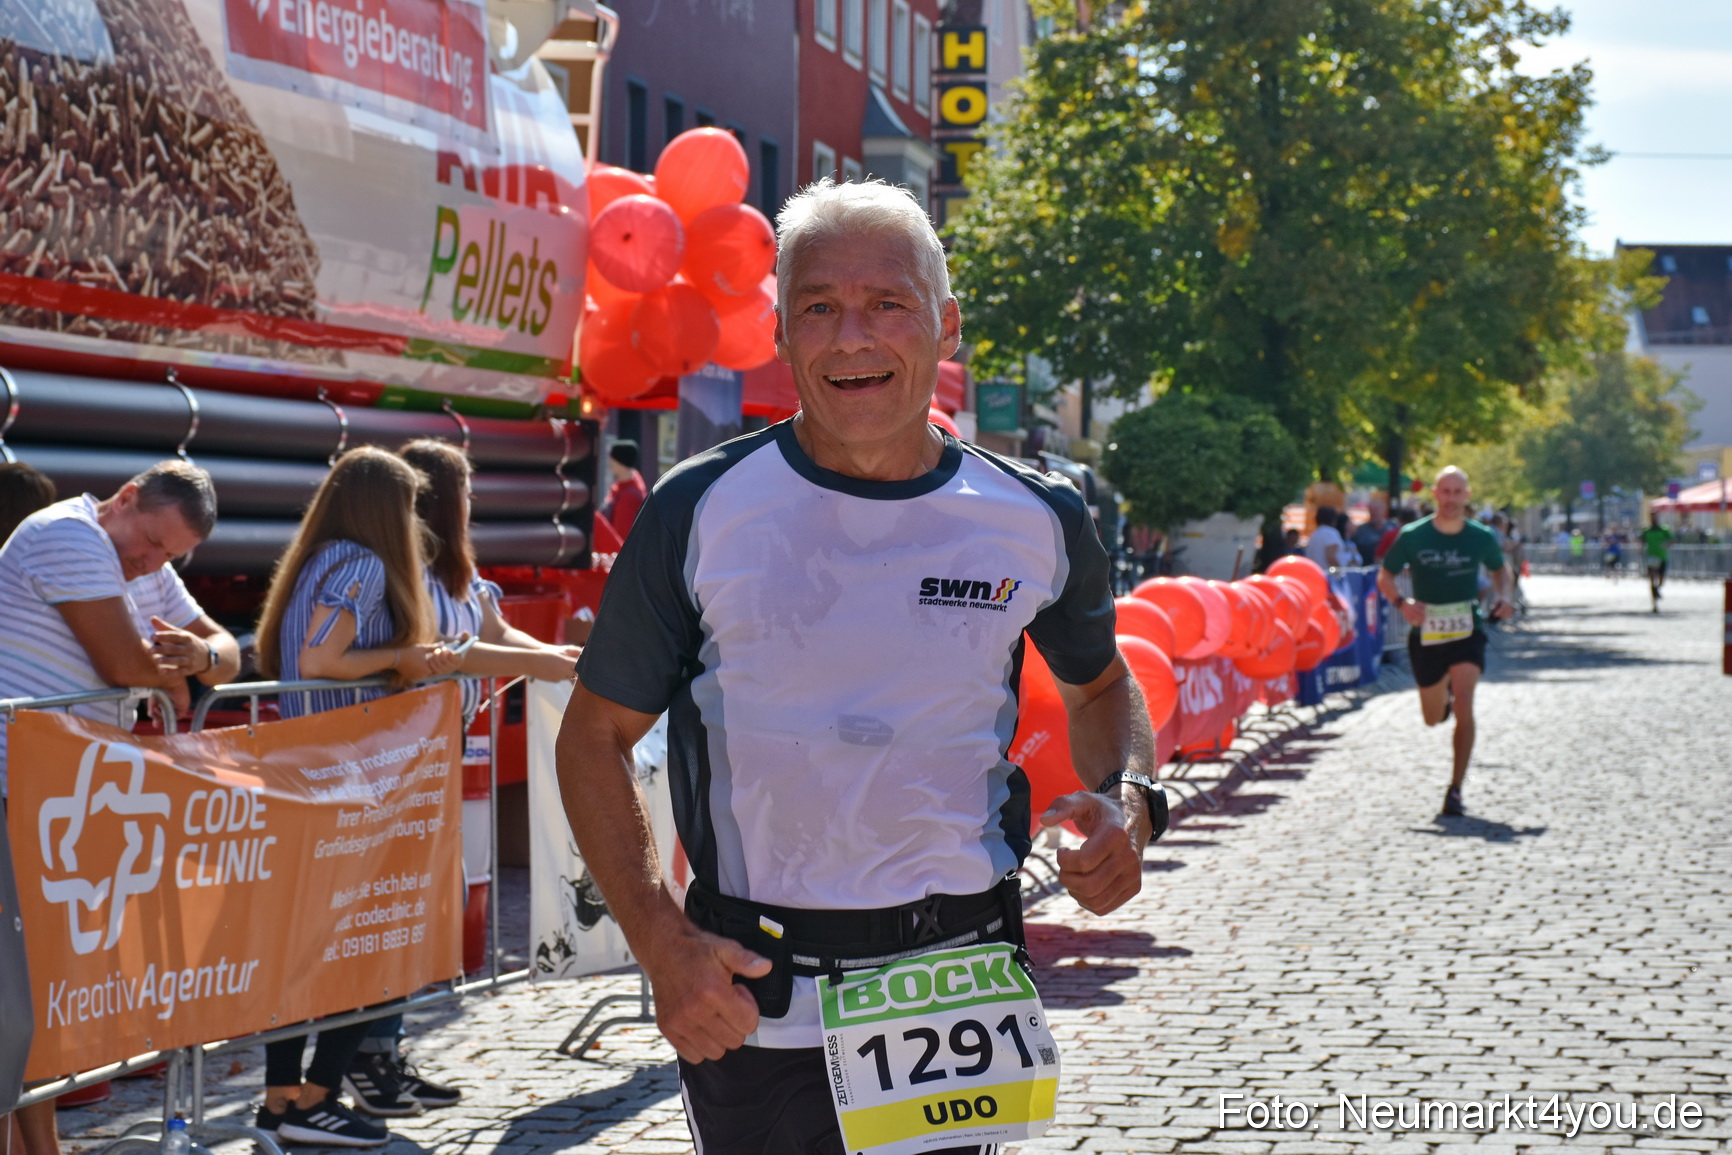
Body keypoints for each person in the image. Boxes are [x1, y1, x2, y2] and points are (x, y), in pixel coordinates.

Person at [555, 178, 1161, 1155]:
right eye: (818, 309)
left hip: (958, 976)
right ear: (781, 332)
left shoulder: (1035, 517)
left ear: (946, 325)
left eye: (888, 304)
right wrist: (660, 945)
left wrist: (1126, 800)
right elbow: (592, 739)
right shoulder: (699, 509)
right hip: (755, 985)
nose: (851, 339)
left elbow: (1100, 685)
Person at [0, 461, 241, 1155]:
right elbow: (123, 664)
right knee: (14, 1002)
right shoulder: (70, 536)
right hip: (20, 790)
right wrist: (185, 666)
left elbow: (226, 651)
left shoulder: (140, 560)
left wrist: (201, 653)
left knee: (33, 999)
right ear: (126, 497)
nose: (152, 563)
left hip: (55, 801)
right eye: (151, 543)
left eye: (170, 554)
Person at [340, 441, 585, 1116]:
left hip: (432, 760)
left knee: (413, 908)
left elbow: (498, 630)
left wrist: (567, 657)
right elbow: (462, 651)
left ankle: (385, 1049)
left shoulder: (459, 575)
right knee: (381, 907)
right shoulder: (403, 570)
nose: (473, 504)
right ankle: (362, 1056)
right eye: (467, 492)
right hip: (390, 763)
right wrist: (560, 665)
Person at [253, 447, 461, 1146]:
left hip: (309, 775)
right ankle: (315, 1097)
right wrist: (399, 659)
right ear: (384, 507)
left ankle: (283, 1099)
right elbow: (321, 659)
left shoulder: (316, 558)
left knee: (305, 948)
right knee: (372, 942)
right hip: (349, 783)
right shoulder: (364, 563)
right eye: (407, 506)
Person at [1376, 467, 1513, 818]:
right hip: (1426, 635)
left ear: (1467, 496)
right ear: (1435, 494)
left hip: (1467, 631)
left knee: (1466, 701)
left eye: (1458, 492)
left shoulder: (1480, 536)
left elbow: (1500, 570)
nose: (1451, 499)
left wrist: (1504, 595)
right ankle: (1444, 703)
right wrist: (1402, 604)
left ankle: (1455, 789)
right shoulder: (1412, 535)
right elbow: (1385, 577)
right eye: (1445, 491)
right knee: (1432, 717)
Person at [599, 439, 648, 542]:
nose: (609, 462)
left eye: (611, 458)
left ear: (619, 461)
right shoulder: (625, 483)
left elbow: (620, 539)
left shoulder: (629, 497)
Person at [1640, 514, 1673, 604]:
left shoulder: (1664, 529)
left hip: (1661, 556)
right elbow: (1642, 541)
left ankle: (1657, 589)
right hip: (1651, 557)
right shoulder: (1646, 530)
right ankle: (1654, 602)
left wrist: (1666, 545)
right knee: (1652, 578)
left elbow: (1672, 540)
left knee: (1661, 578)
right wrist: (1641, 550)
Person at [1305, 504, 1345, 569]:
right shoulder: (1331, 533)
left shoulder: (1314, 534)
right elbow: (1331, 557)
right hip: (1328, 575)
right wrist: (1340, 571)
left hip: (1316, 573)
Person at [1351, 498, 1388, 562]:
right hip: (1366, 567)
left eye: (1377, 510)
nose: (1374, 513)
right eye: (1372, 510)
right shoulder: (1361, 530)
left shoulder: (1392, 528)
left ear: (1383, 510)